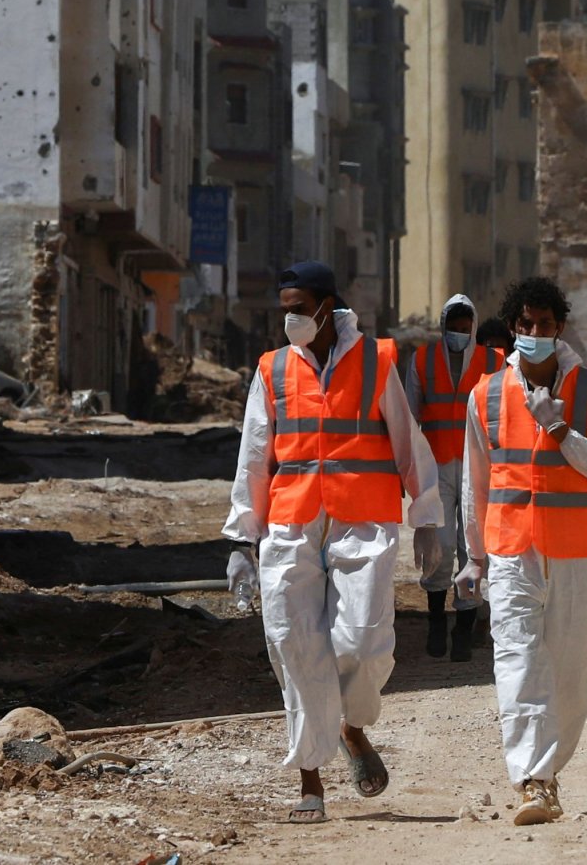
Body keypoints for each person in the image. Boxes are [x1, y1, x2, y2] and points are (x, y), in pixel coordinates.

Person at [224, 261, 446, 824]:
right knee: (294, 645)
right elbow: (255, 452)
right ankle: (310, 781)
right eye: (285, 310)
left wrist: (425, 517)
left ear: (328, 308)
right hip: (292, 520)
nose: (291, 319)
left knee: (365, 642)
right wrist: (240, 536)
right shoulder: (272, 369)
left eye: (299, 308)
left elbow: (407, 442)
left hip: (363, 519)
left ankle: (351, 726)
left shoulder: (377, 361)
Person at [458, 276, 587, 826]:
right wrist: (474, 556)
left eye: (545, 325)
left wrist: (559, 429)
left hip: (578, 549)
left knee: (572, 672)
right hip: (512, 547)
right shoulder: (483, 394)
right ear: (512, 329)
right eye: (524, 325)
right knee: (518, 658)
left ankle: (550, 769)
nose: (534, 333)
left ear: (559, 330)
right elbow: (475, 483)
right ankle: (535, 779)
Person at [406, 294, 503, 660]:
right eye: (452, 329)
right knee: (440, 545)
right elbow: (410, 416)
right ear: (442, 328)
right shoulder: (422, 360)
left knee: (473, 546)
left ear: (473, 329)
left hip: (479, 464)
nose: (458, 335)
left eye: (465, 330)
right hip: (436, 464)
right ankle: (436, 619)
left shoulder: (493, 361)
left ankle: (464, 628)